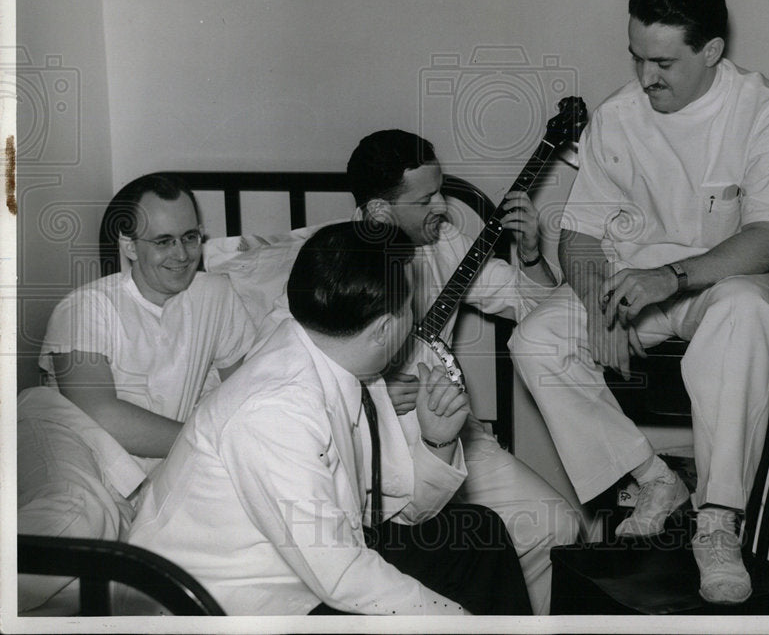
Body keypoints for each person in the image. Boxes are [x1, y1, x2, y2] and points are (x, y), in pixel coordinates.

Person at [509, 0, 769, 605]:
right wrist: (600, 310)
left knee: (745, 313)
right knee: (535, 339)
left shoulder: (765, 110)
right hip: (632, 285)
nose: (648, 77)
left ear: (711, 52)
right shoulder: (617, 118)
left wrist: (669, 276)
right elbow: (581, 237)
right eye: (637, 57)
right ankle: (652, 478)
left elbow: (766, 241)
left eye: (664, 61)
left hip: (719, 282)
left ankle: (718, 520)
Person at [125, 221, 531, 615]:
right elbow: (341, 576)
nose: (414, 318)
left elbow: (397, 509)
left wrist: (437, 439)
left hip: (305, 565)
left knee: (479, 533)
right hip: (227, 604)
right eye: (410, 306)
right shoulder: (275, 411)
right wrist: (458, 621)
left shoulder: (345, 361)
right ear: (384, 328)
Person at [345, 130, 581, 615]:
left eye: (442, 191)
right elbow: (304, 367)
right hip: (377, 445)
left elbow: (527, 303)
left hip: (454, 429)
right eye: (426, 198)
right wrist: (375, 388)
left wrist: (532, 254)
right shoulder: (337, 264)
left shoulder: (445, 237)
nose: (443, 207)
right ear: (378, 213)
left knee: (556, 526)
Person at [28, 173, 256, 513]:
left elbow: (242, 393)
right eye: (163, 241)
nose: (182, 254)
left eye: (190, 237)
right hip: (81, 453)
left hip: (168, 465)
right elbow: (102, 414)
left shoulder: (216, 295)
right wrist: (213, 441)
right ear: (130, 245)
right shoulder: (86, 307)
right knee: (74, 518)